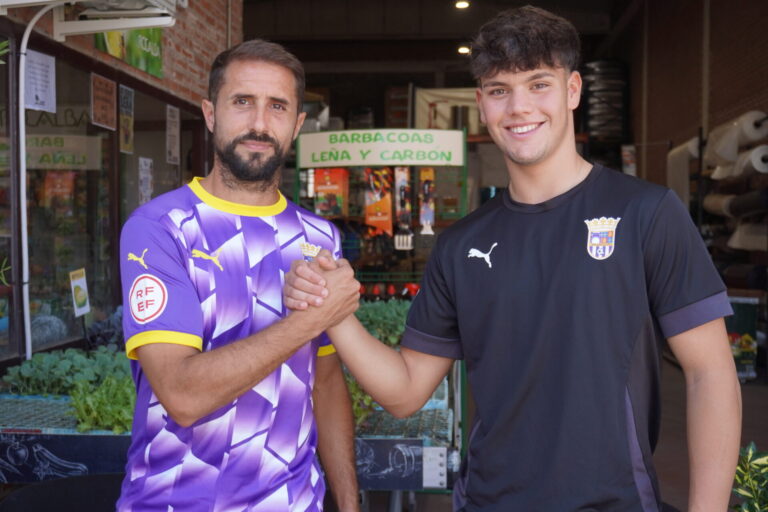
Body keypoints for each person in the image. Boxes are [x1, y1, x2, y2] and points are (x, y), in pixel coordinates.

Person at [284, 6, 742, 511]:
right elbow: (407, 391)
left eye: (538, 84)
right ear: (482, 103)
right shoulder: (461, 245)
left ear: (572, 91)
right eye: (500, 90)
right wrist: (336, 313)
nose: (518, 107)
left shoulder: (645, 214)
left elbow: (709, 375)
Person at [117, 39, 361, 511]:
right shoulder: (160, 229)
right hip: (175, 500)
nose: (259, 124)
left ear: (297, 125)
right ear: (210, 114)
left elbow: (326, 384)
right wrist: (308, 321)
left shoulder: (319, 238)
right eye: (242, 101)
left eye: (277, 107)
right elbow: (182, 396)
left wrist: (349, 504)